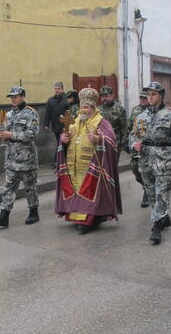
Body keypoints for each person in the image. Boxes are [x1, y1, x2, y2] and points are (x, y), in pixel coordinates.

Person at [55, 87, 122, 233]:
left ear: (93, 107)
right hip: (74, 165)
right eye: (81, 106)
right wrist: (64, 140)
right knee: (76, 189)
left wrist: (98, 139)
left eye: (86, 107)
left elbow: (111, 141)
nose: (83, 109)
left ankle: (89, 220)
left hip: (92, 165)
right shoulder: (74, 121)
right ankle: (77, 216)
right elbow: (65, 138)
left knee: (89, 190)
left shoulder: (101, 122)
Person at [129, 82, 171, 245]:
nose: (150, 97)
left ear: (161, 96)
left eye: (153, 94)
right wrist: (134, 144)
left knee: (162, 191)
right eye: (148, 94)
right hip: (146, 160)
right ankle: (163, 216)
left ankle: (156, 226)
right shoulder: (141, 117)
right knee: (151, 193)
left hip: (164, 160)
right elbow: (133, 136)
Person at [0, 87, 40, 228]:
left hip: (26, 160)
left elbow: (33, 134)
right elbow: (6, 134)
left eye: (15, 96)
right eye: (11, 97)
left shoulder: (31, 113)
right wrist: (3, 137)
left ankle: (33, 212)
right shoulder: (9, 114)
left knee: (30, 188)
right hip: (11, 159)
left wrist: (12, 135)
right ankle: (4, 216)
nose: (13, 99)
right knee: (8, 188)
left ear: (23, 97)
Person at [123, 90, 149, 208]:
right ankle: (146, 187)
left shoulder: (153, 111)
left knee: (147, 171)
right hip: (136, 146)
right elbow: (129, 127)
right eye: (141, 98)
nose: (142, 100)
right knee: (135, 169)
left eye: (145, 98)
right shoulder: (135, 110)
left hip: (148, 147)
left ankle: (148, 193)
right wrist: (125, 142)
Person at [98, 85, 127, 157]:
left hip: (114, 143)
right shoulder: (97, 110)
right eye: (102, 96)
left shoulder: (119, 110)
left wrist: (123, 143)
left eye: (106, 96)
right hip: (100, 142)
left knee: (112, 166)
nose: (104, 98)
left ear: (112, 95)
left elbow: (124, 128)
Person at [44, 82, 68, 166]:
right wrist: (46, 124)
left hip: (66, 126)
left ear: (62, 89)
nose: (57, 90)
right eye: (55, 89)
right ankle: (59, 161)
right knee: (59, 142)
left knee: (60, 143)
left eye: (58, 89)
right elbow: (48, 113)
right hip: (56, 126)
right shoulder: (50, 100)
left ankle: (57, 160)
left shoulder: (67, 99)